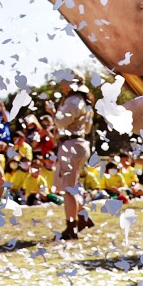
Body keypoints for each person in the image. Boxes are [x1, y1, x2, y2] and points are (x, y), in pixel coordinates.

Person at [52, 79, 95, 241]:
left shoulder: (72, 100)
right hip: (80, 144)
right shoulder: (85, 101)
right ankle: (83, 217)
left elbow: (61, 121)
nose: (62, 85)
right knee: (72, 184)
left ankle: (72, 227)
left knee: (68, 188)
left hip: (71, 145)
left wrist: (53, 112)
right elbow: (88, 127)